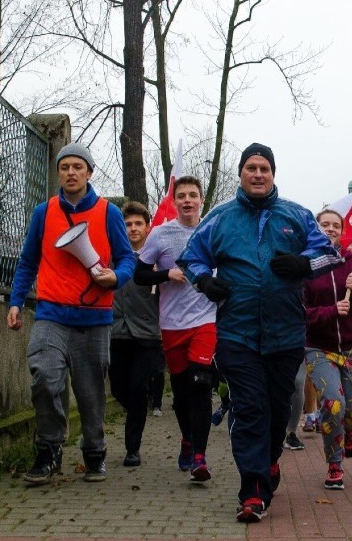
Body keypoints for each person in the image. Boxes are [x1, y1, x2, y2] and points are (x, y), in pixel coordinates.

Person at [178, 142, 341, 523]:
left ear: (272, 174)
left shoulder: (296, 216)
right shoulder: (220, 218)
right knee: (250, 408)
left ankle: (268, 462)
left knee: (278, 408)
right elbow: (191, 257)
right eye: (250, 167)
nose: (257, 174)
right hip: (237, 333)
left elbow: (330, 254)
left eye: (264, 168)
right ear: (240, 173)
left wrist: (303, 262)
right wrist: (205, 282)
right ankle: (252, 491)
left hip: (285, 334)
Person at [7, 142, 135, 484]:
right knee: (44, 378)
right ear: (59, 173)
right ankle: (48, 449)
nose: (71, 172)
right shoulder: (42, 213)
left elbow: (127, 259)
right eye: (65, 167)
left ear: (89, 172)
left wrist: (116, 277)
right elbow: (27, 261)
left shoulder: (109, 213)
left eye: (78, 166)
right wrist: (16, 301)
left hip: (94, 319)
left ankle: (94, 451)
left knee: (91, 394)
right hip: (50, 315)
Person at [133, 176, 217, 483]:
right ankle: (186, 437)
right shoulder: (160, 234)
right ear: (174, 201)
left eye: (192, 195)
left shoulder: (213, 230)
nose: (187, 200)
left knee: (201, 384)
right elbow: (139, 275)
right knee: (181, 394)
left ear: (201, 200)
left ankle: (200, 457)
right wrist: (167, 273)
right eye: (181, 195)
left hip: (206, 320)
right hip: (172, 324)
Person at [303, 210, 352, 490]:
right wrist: (331, 311)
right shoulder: (306, 263)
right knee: (333, 404)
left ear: (342, 231)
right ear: (316, 228)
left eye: (336, 225)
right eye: (325, 225)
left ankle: (349, 432)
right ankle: (335, 464)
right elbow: (301, 312)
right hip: (319, 348)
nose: (330, 229)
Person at [108, 201, 162, 468]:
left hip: (147, 333)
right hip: (116, 330)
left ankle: (133, 448)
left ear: (148, 227)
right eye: (128, 224)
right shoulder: (112, 254)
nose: (132, 228)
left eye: (138, 223)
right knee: (119, 387)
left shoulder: (156, 258)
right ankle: (138, 412)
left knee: (138, 386)